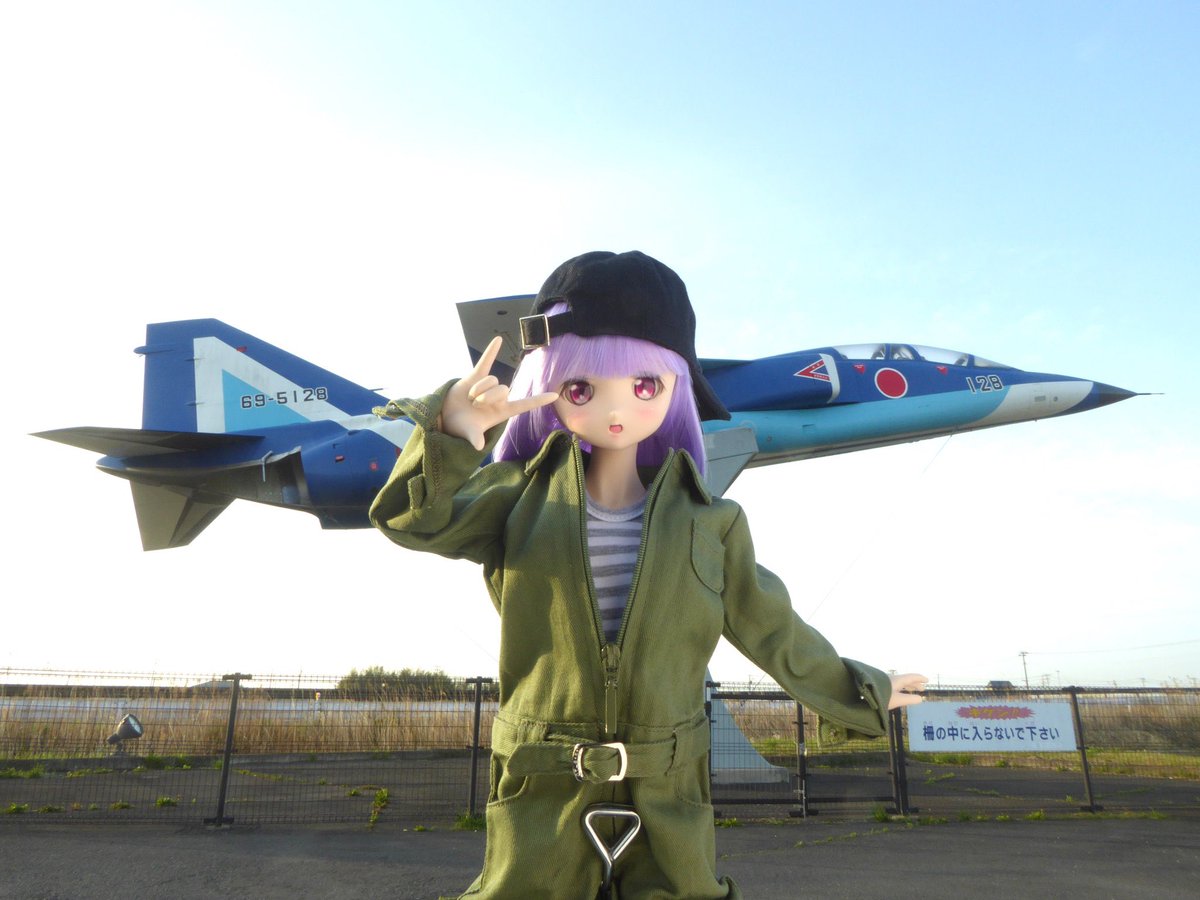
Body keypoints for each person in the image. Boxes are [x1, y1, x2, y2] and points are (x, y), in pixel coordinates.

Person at [370, 250, 925, 899]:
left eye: (644, 386)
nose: (615, 408)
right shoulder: (515, 499)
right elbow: (412, 522)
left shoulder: (710, 522)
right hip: (541, 783)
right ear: (549, 387)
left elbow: (772, 627)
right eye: (581, 388)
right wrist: (447, 436)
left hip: (668, 788)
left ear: (675, 388)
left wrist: (861, 690)